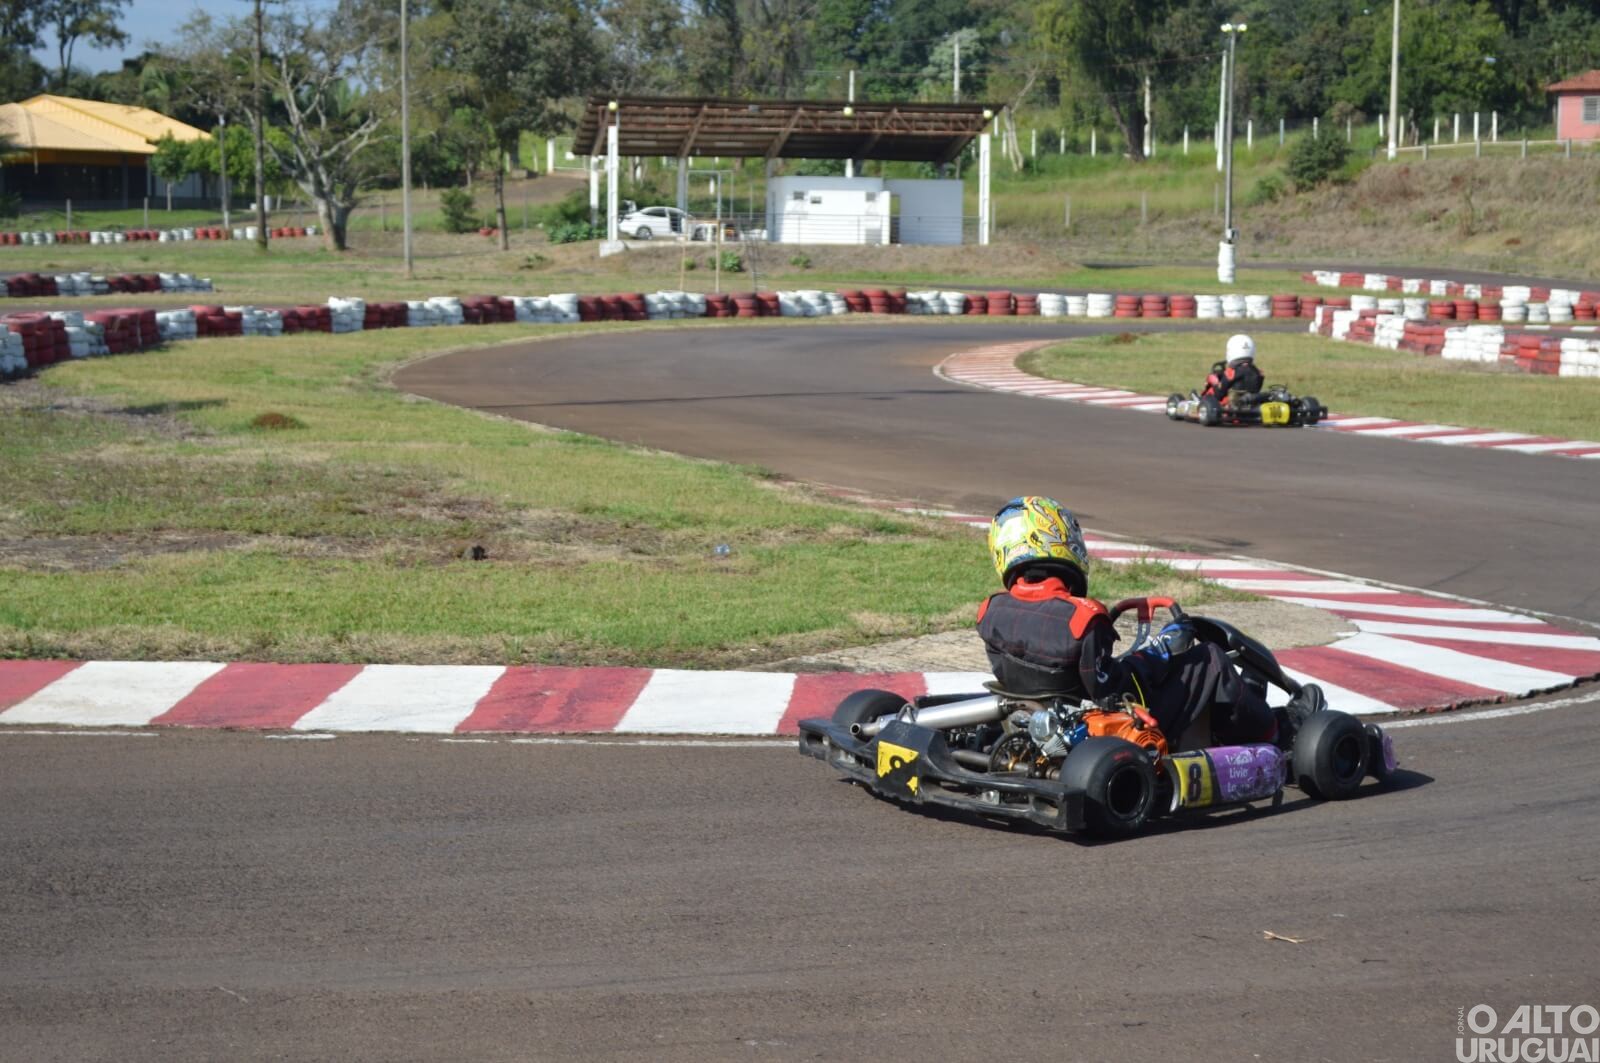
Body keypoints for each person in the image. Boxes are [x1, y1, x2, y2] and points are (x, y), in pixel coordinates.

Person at [975, 495, 1322, 749]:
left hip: (1040, 716)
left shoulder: (992, 610)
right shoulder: (1082, 617)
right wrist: (1159, 652)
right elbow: (1111, 691)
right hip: (1101, 725)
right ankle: (1277, 732)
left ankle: (1238, 709)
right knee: (1211, 661)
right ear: (1059, 541)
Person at [1200, 334, 1265, 406]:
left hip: (1231, 406)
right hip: (1250, 405)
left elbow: (1219, 393)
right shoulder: (1257, 372)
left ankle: (1200, 401)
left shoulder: (1231, 372)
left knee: (1211, 389)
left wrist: (1214, 382)